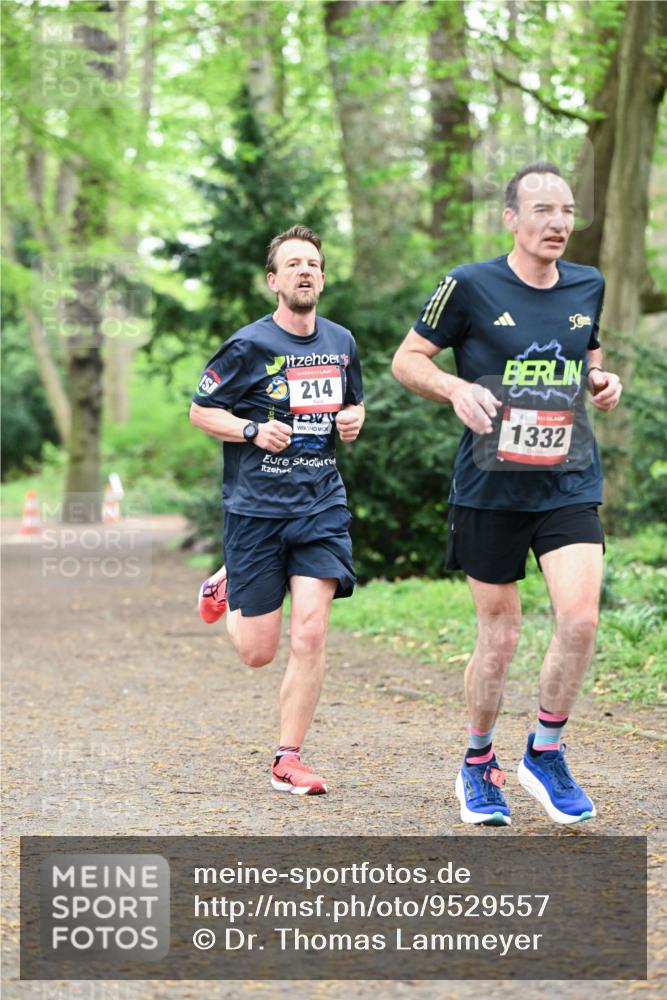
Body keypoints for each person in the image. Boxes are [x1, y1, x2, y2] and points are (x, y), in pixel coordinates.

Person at [392, 163, 622, 826]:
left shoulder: (587, 283)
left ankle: (544, 750)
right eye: (542, 210)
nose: (557, 223)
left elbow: (588, 355)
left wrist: (602, 383)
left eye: (566, 211)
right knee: (500, 634)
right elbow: (407, 360)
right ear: (510, 218)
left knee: (578, 619)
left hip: (566, 478)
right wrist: (455, 388)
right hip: (489, 486)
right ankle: (477, 762)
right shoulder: (467, 285)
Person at [190, 225, 364, 796]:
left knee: (310, 632)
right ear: (274, 281)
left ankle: (288, 758)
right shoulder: (248, 346)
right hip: (256, 510)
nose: (304, 271)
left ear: (322, 275)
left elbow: (353, 406)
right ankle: (225, 583)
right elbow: (200, 411)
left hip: (320, 503)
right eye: (293, 264)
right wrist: (249, 429)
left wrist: (353, 420)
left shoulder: (341, 342)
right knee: (257, 653)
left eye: (312, 263)